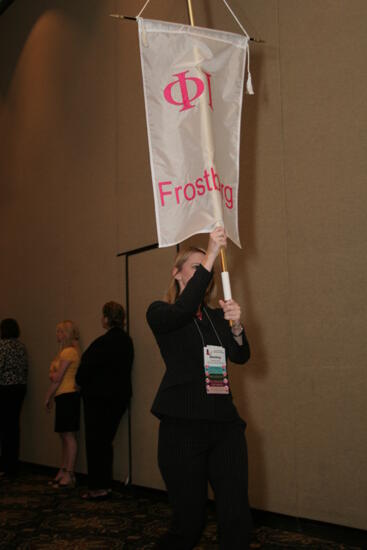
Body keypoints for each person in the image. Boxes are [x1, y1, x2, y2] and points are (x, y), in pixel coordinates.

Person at [146, 227, 252, 550]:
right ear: (177, 274)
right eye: (196, 265)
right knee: (189, 524)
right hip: (183, 427)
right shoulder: (161, 312)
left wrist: (237, 329)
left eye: (206, 265)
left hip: (225, 426)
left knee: (235, 517)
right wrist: (210, 253)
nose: (204, 269)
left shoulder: (217, 317)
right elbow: (183, 308)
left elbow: (241, 355)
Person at [76, 301, 134, 500]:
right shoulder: (127, 342)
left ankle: (97, 486)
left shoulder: (102, 343)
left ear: (107, 319)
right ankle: (105, 484)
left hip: (98, 400)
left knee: (95, 443)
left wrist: (81, 382)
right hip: (119, 398)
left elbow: (84, 370)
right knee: (105, 442)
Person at [45, 320, 81, 488]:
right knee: (64, 436)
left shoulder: (69, 352)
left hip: (68, 395)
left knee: (68, 436)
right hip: (63, 395)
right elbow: (55, 378)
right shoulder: (65, 352)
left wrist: (53, 375)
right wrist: (48, 396)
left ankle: (69, 473)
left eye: (60, 332)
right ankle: (63, 470)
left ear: (66, 334)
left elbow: (57, 377)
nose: (57, 335)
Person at [0, 318, 28, 477]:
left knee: (4, 427)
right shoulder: (21, 347)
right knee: (13, 426)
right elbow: (24, 368)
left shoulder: (3, 346)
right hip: (19, 389)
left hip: (5, 388)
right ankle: (12, 463)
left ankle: (4, 464)